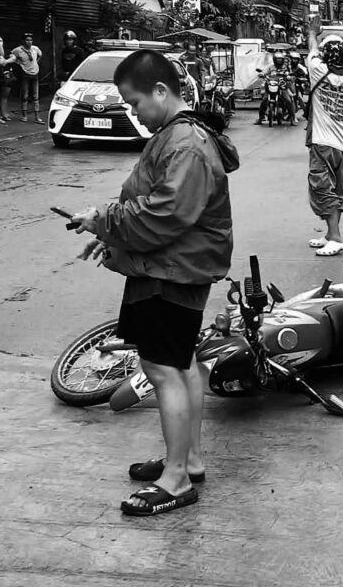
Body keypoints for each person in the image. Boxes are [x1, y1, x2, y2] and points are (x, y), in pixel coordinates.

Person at [69, 49, 234, 517]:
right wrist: (111, 233)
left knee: (164, 370)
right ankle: (188, 460)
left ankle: (176, 479)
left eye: (135, 103)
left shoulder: (184, 144)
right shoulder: (181, 137)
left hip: (170, 271)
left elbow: (165, 213)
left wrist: (104, 220)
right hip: (169, 267)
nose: (134, 112)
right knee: (180, 365)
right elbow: (154, 205)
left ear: (161, 91)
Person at [303, 18, 343, 257]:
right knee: (336, 189)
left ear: (326, 56)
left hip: (323, 143)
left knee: (323, 189)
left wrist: (312, 33)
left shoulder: (318, 71)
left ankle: (336, 237)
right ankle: (329, 234)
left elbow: (312, 50)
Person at [11, 33, 44, 123]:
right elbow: (11, 55)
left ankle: (37, 117)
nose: (29, 42)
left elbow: (40, 55)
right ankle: (24, 116)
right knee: (25, 95)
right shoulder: (18, 50)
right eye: (27, 40)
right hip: (25, 73)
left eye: (31, 40)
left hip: (35, 73)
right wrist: (19, 63)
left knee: (35, 96)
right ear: (23, 41)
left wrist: (36, 62)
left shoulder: (35, 48)